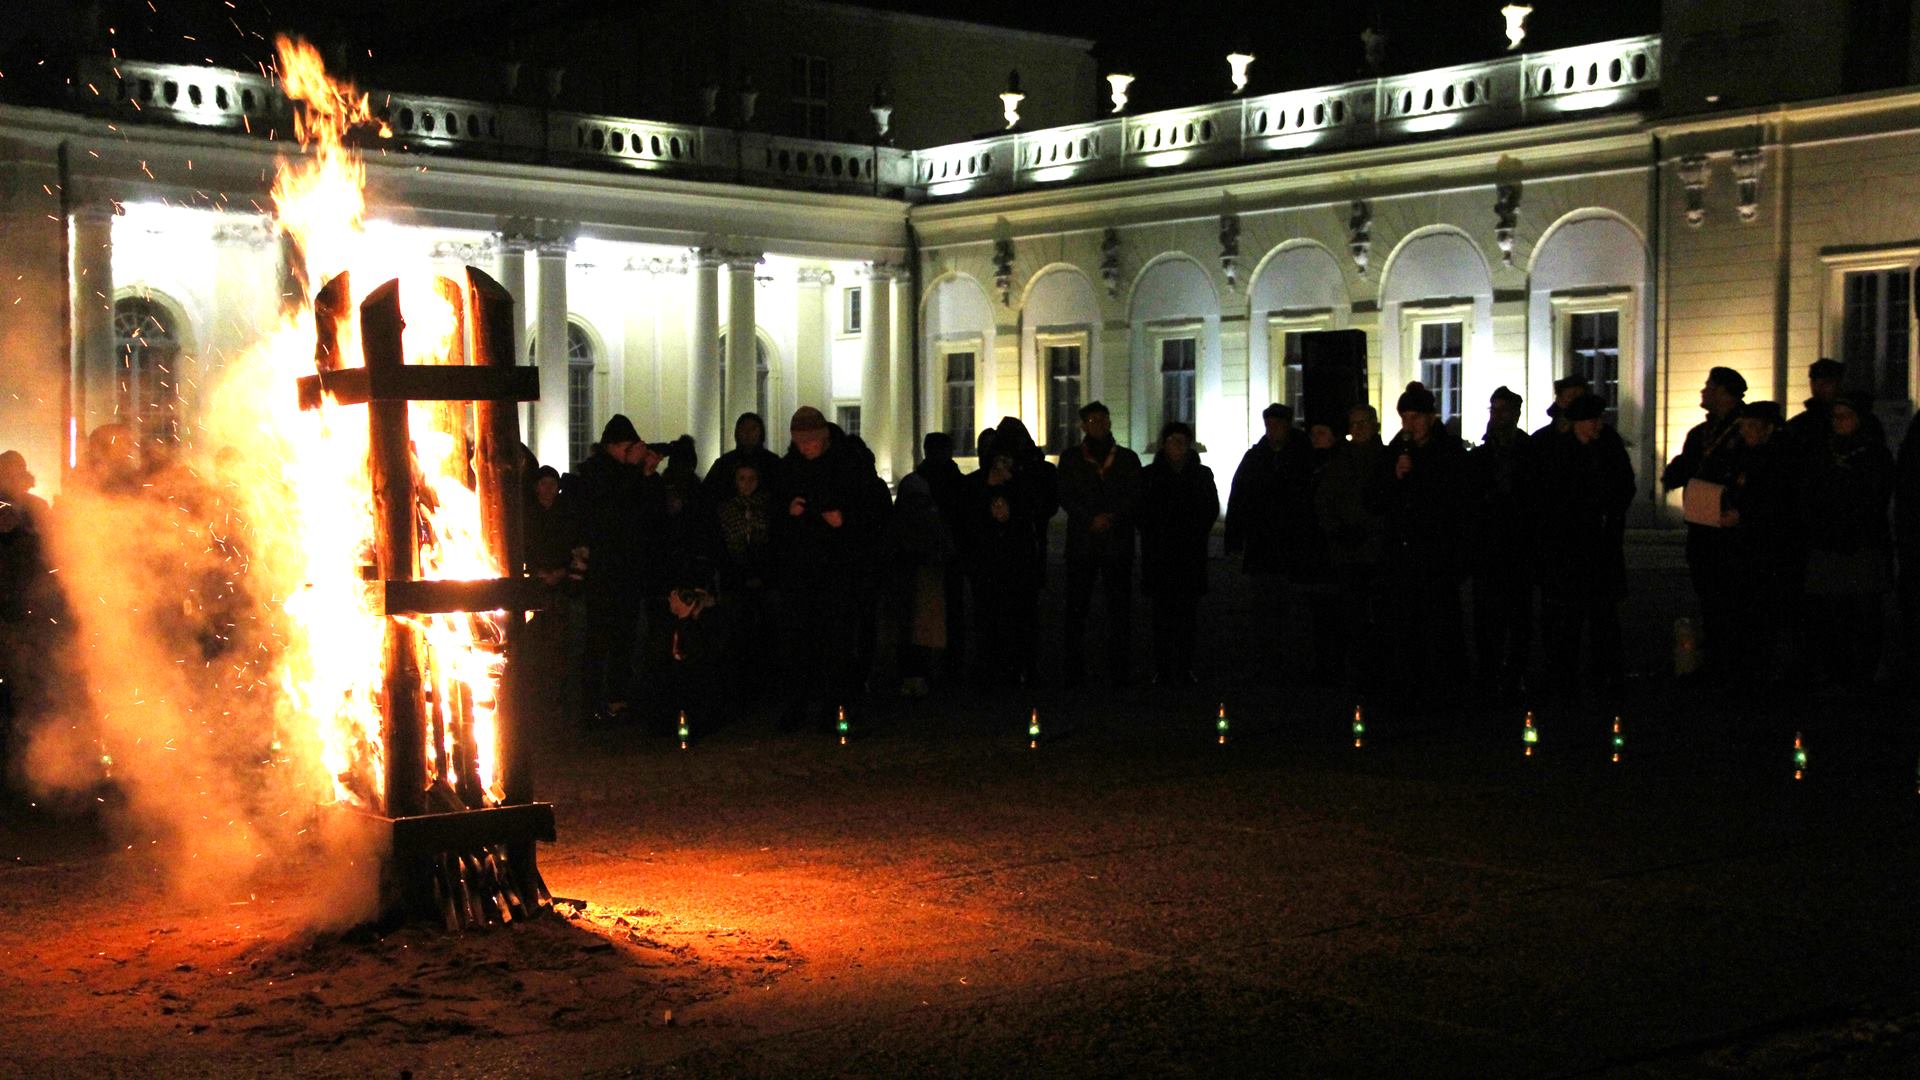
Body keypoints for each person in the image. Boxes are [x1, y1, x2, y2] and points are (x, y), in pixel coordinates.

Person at [558, 414, 663, 725]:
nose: (632, 451)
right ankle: (591, 704)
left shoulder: (630, 473)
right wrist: (635, 471)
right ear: (612, 446)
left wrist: (647, 473)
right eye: (628, 446)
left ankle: (618, 700)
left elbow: (647, 513)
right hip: (604, 572)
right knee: (598, 640)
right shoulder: (595, 474)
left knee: (625, 640)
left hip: (629, 571)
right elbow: (610, 513)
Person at [1533, 394, 1636, 706]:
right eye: (1592, 420)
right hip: (1570, 552)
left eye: (1598, 419)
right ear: (1577, 423)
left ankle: (1606, 677)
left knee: (1604, 619)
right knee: (1569, 621)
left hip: (1600, 548)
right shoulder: (1562, 454)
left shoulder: (1608, 448)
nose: (1598, 425)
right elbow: (1551, 501)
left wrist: (1609, 509)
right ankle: (1566, 681)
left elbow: (1624, 487)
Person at [1373, 382, 1468, 712]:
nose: (1409, 424)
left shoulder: (1450, 453)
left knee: (1438, 630)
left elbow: (1456, 505)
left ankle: (1442, 692)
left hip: (1436, 559)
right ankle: (1404, 689)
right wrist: (1395, 478)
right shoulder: (1394, 452)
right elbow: (1374, 499)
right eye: (1404, 417)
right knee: (1403, 629)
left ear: (1430, 417)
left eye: (1415, 417)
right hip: (1400, 559)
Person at [776, 407, 873, 730]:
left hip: (837, 571)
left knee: (837, 644)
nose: (806, 449)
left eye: (810, 444)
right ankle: (797, 706)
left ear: (823, 439)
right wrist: (789, 512)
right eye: (800, 444)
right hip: (801, 573)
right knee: (798, 644)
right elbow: (775, 514)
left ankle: (836, 709)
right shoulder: (789, 467)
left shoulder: (847, 464)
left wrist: (843, 520)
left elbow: (868, 511)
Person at [1800, 393, 1894, 690]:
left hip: (1860, 545)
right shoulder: (1824, 452)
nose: (1838, 423)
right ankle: (1835, 670)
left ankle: (1863, 672)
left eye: (1845, 416)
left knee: (1863, 613)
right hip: (1828, 544)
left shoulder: (1874, 454)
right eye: (1835, 417)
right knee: (1831, 612)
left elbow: (1873, 498)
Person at [1660, 366, 1747, 680]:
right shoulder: (1702, 432)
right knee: (1709, 597)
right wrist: (1673, 475)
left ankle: (1733, 663)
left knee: (1732, 600)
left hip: (1731, 530)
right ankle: (1715, 659)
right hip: (1702, 526)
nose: (1703, 391)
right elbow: (1686, 463)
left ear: (1724, 392)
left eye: (1709, 386)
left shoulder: (1744, 430)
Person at [1056, 401, 1142, 686]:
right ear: (1083, 425)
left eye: (1102, 420)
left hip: (1116, 544)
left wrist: (1111, 517)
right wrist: (1089, 518)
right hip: (1083, 543)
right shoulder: (1070, 459)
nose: (1099, 425)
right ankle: (1073, 667)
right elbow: (1065, 495)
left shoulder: (1127, 459)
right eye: (1092, 421)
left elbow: (1134, 495)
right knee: (1077, 609)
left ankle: (1119, 668)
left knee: (1119, 610)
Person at [1224, 403, 1312, 683]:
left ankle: (1286, 661)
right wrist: (1235, 540)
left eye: (1278, 425)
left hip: (1291, 544)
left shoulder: (1299, 456)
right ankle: (1268, 661)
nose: (1273, 430)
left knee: (1289, 606)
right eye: (1270, 425)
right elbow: (1238, 498)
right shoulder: (1257, 457)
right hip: (1264, 545)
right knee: (1264, 607)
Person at [1721, 400, 1802, 687]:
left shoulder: (1781, 458)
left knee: (1768, 613)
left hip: (1771, 550)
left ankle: (1767, 671)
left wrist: (1744, 514)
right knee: (1745, 611)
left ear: (1769, 429)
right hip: (1744, 547)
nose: (1747, 432)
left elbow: (1780, 502)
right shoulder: (1742, 454)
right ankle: (1748, 668)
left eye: (1754, 426)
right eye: (1745, 426)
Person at [1465, 386, 1535, 699]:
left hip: (1518, 550)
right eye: (1494, 410)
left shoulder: (1529, 453)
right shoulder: (1481, 457)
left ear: (1517, 414)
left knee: (1518, 619)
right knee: (1486, 619)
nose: (1498, 417)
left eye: (1504, 410)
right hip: (1487, 551)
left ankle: (1513, 673)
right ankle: (1489, 673)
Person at [1137, 422, 1220, 685]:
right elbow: (1141, 511)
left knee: (1187, 616)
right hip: (1160, 554)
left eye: (1182, 440)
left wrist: (1190, 532)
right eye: (1172, 439)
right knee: (1161, 616)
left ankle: (1184, 666)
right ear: (1164, 443)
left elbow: (1209, 509)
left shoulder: (1202, 474)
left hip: (1188, 554)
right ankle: (1162, 667)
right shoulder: (1149, 475)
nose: (1177, 445)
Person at [1316, 404, 1388, 693]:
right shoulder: (1339, 461)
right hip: (1347, 553)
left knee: (1379, 618)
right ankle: (1358, 674)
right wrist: (1338, 530)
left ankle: (1378, 672)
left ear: (1375, 425)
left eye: (1364, 423)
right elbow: (1323, 502)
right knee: (1353, 618)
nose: (1357, 429)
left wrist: (1370, 529)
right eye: (1353, 424)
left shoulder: (1385, 459)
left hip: (1376, 552)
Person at [713, 460, 777, 688]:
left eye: (751, 478)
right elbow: (723, 546)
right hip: (735, 577)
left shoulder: (767, 506)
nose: (747, 483)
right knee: (736, 631)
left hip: (764, 576)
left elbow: (772, 545)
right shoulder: (726, 509)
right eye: (742, 478)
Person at [914, 433, 970, 681]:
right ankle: (950, 662)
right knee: (949, 610)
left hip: (931, 553)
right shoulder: (955, 480)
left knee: (930, 610)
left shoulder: (919, 480)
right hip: (945, 552)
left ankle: (933, 663)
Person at [1788, 358, 1885, 451]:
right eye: (1815, 382)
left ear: (1839, 383)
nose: (1819, 388)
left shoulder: (1864, 421)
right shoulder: (1801, 424)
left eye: (1827, 383)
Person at [701, 412, 784, 511]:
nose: (748, 433)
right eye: (743, 429)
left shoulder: (773, 463)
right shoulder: (724, 464)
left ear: (761, 432)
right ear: (737, 432)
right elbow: (707, 495)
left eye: (753, 429)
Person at [1531, 374, 1590, 449]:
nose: (1576, 402)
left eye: (1581, 398)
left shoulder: (1593, 436)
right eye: (1571, 396)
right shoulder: (1540, 438)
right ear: (1559, 400)